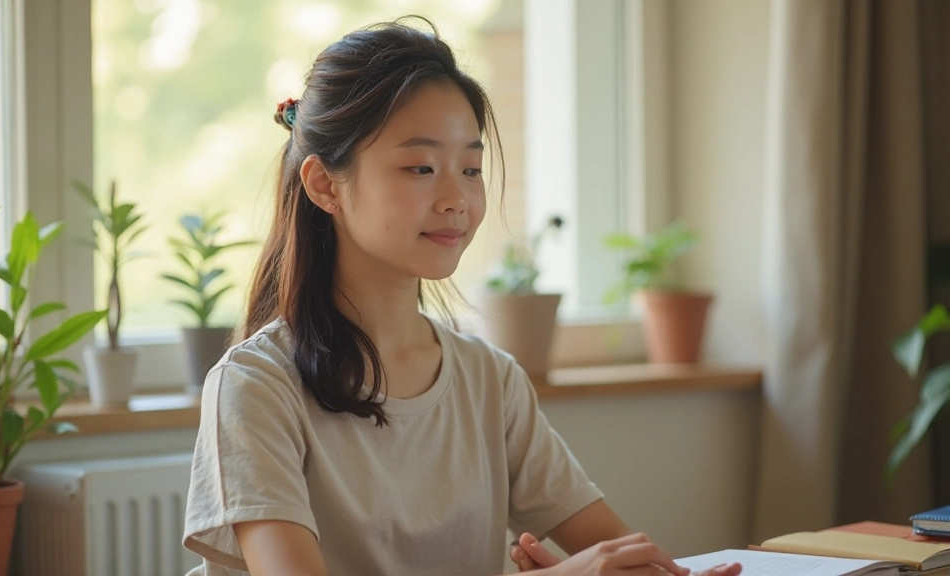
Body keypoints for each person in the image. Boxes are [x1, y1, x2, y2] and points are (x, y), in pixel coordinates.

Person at [182, 16, 743, 576]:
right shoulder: (254, 387)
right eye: (421, 167)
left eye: (471, 168)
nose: (457, 198)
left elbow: (618, 552)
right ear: (325, 185)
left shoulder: (490, 381)